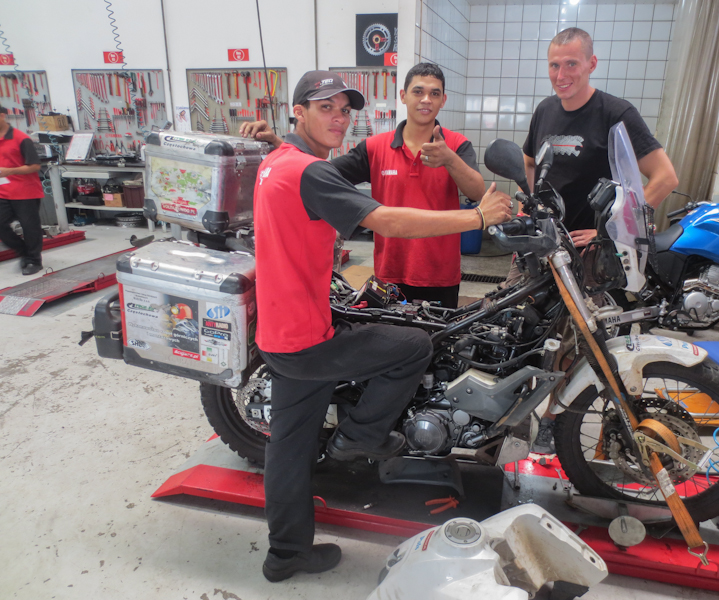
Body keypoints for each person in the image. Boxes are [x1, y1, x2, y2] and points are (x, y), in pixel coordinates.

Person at [253, 71, 512, 583]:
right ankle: (359, 437)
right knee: (413, 346)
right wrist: (477, 219)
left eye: (344, 110)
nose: (338, 118)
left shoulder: (278, 161)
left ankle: (285, 554)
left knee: (288, 448)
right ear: (298, 112)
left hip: (281, 329)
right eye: (325, 107)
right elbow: (387, 220)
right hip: (308, 336)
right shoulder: (312, 171)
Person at [522, 27, 679, 454]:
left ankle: (555, 420)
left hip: (589, 254)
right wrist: (532, 205)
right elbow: (529, 160)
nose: (561, 75)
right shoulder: (545, 110)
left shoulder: (615, 113)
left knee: (581, 344)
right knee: (531, 335)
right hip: (543, 247)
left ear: (592, 63)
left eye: (571, 64)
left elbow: (664, 177)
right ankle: (518, 413)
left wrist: (611, 227)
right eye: (554, 65)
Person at [241, 62, 485, 308]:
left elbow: (476, 192)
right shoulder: (375, 148)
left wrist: (450, 160)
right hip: (390, 273)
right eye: (418, 91)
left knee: (439, 333)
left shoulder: (457, 144)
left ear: (443, 100)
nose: (426, 100)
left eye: (434, 94)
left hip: (440, 274)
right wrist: (283, 145)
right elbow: (318, 172)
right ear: (403, 96)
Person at [0, 106, 45, 275]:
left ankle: (34, 260)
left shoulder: (21, 139)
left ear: (2, 116)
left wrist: (10, 171)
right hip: (3, 191)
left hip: (25, 192)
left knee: (30, 227)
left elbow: (35, 166)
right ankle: (24, 252)